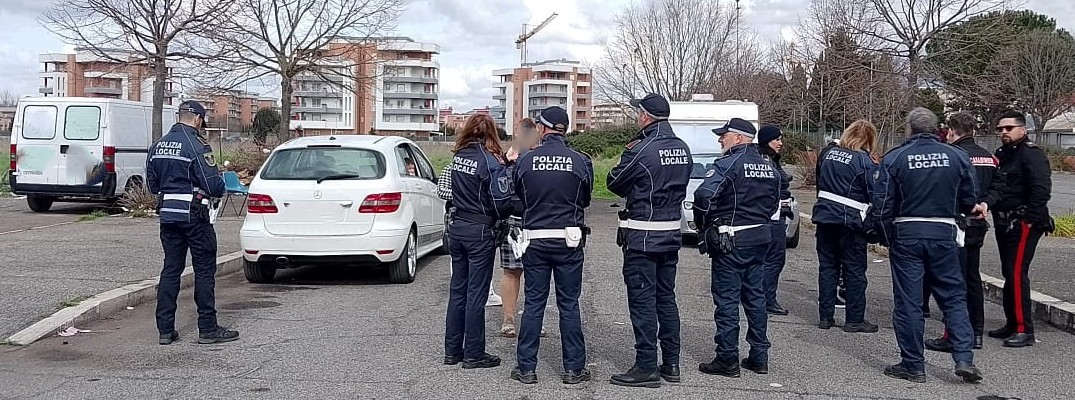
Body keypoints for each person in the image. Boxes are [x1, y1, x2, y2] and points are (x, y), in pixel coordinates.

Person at [869, 107, 982, 383]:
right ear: (938, 130)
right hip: (944, 233)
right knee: (953, 297)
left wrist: (886, 236)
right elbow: (970, 198)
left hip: (907, 233)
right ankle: (964, 357)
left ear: (910, 129)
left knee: (909, 302)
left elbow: (883, 204)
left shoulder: (896, 158)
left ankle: (913, 365)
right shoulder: (957, 156)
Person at [605, 93, 692, 388]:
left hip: (643, 236)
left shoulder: (643, 148)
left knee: (642, 303)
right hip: (670, 235)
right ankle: (672, 363)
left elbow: (615, 181)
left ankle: (645, 366)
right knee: (666, 299)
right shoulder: (682, 147)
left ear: (644, 116)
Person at [510, 106, 594, 385]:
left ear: (543, 129)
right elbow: (585, 199)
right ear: (565, 129)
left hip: (535, 239)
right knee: (569, 304)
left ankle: (526, 368)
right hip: (569, 240)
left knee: (534, 303)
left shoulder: (525, 160)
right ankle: (573, 369)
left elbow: (519, 196)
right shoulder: (580, 161)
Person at [693, 118, 779, 378]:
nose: (721, 139)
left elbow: (703, 196)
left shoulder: (729, 163)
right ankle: (759, 356)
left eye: (725, 135)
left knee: (727, 299)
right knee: (755, 297)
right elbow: (775, 201)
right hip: (760, 238)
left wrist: (704, 226)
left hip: (732, 240)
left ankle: (727, 358)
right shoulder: (769, 165)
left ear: (739, 138)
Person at [146, 100, 238, 345]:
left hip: (168, 216)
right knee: (204, 270)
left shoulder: (157, 146)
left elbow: (152, 185)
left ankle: (165, 330)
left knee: (171, 270)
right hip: (195, 217)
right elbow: (213, 185)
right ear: (197, 119)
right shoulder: (196, 145)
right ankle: (207, 328)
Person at [975, 110, 1054, 348]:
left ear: (1023, 129)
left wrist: (1029, 219)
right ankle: (1012, 322)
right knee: (1009, 272)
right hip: (1004, 221)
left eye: (1008, 128)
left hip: (1023, 222)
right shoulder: (1003, 154)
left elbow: (1041, 189)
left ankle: (1023, 328)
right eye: (1000, 129)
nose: (1003, 133)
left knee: (1017, 273)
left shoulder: (1031, 155)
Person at [443, 114, 514, 369]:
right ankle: (474, 353)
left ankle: (452, 351)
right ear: (491, 133)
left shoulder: (459, 157)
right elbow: (500, 202)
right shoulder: (490, 162)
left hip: (458, 227)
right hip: (480, 230)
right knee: (477, 294)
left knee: (457, 291)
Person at [925, 112, 998, 352]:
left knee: (952, 281)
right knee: (972, 278)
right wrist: (986, 203)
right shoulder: (988, 157)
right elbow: (1000, 186)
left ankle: (953, 334)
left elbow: (947, 189)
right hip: (978, 224)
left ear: (952, 131)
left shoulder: (954, 155)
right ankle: (976, 332)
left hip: (956, 223)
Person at [813, 120, 879, 332]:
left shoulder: (828, 154)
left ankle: (825, 316)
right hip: (850, 221)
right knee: (854, 270)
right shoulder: (863, 161)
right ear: (868, 139)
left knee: (828, 267)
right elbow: (874, 192)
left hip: (824, 217)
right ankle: (854, 319)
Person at [498, 118, 546, 338]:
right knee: (513, 271)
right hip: (519, 219)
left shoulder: (537, 156)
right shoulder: (508, 157)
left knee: (526, 273)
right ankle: (509, 319)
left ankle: (528, 319)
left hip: (531, 219)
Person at [437, 162, 502, 308]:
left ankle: (488, 291)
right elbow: (441, 190)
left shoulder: (481, 166)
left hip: (476, 216)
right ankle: (461, 287)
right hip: (455, 215)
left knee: (481, 260)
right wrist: (462, 194)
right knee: (458, 257)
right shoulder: (450, 168)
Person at [757, 125, 793, 315]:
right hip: (771, 217)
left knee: (771, 260)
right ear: (766, 141)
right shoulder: (766, 161)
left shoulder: (771, 160)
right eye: (776, 139)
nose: (780, 143)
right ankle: (766, 299)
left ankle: (761, 297)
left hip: (775, 215)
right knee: (774, 260)